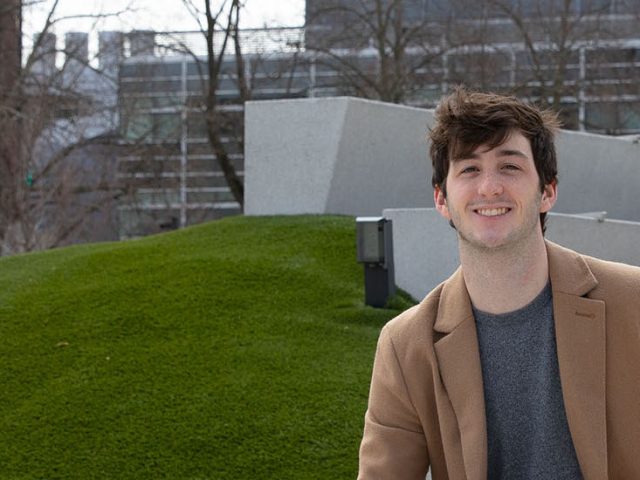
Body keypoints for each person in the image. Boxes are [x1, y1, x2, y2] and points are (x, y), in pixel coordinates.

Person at [358, 88, 640, 479]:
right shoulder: (406, 345)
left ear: (547, 191)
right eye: (469, 169)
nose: (489, 187)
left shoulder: (633, 302)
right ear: (441, 199)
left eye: (510, 167)